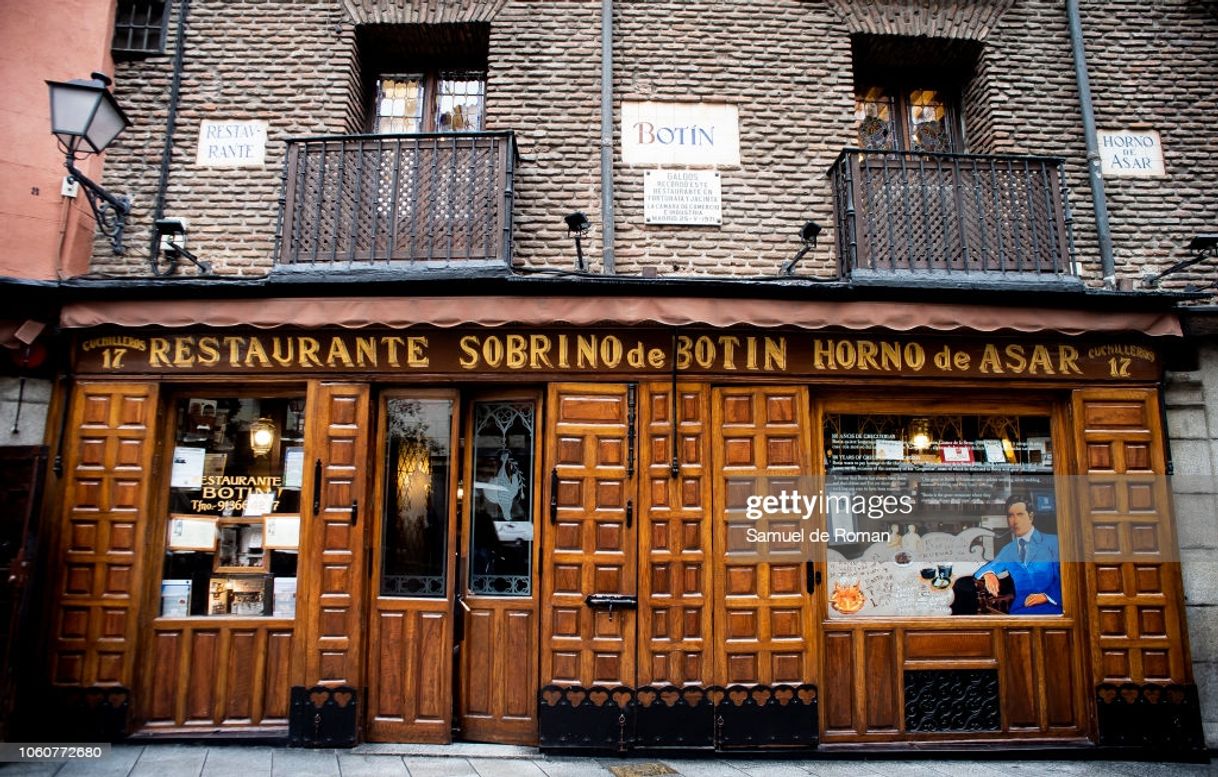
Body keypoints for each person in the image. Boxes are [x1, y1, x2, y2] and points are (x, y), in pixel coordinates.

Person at [973, 494, 1061, 615]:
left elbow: (1068, 579)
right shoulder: (1008, 550)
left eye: (1020, 514)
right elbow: (982, 571)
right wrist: (989, 573)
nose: (1015, 521)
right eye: (1010, 516)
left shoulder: (1053, 542)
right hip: (1019, 612)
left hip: (1052, 611)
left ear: (1030, 516)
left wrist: (1047, 596)